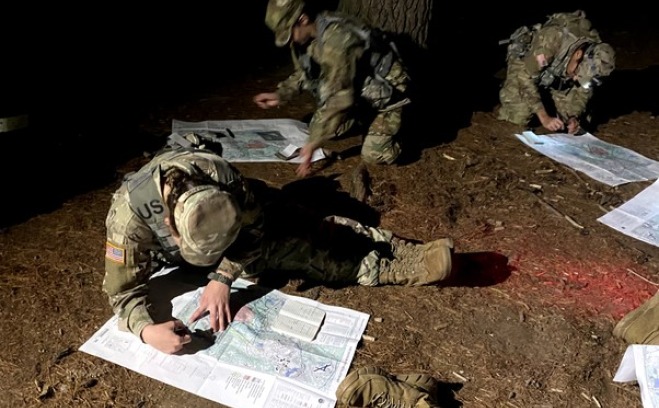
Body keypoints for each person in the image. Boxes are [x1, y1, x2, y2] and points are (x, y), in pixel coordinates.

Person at [103, 142, 467, 355]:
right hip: (199, 249)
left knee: (297, 237)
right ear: (169, 226)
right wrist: (147, 332)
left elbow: (254, 227)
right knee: (288, 244)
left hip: (249, 219)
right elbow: (122, 294)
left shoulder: (219, 176)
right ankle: (385, 259)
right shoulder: (128, 220)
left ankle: (401, 257)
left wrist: (222, 277)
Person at [253, 0, 411, 177]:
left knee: (374, 154)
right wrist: (281, 94)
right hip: (357, 87)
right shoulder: (308, 39)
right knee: (324, 128)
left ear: (303, 19)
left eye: (290, 32)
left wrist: (313, 144)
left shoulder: (336, 39)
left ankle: (406, 127)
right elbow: (303, 73)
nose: (290, 40)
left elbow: (340, 97)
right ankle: (365, 115)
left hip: (388, 90)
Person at [497, 10, 616, 135]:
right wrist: (543, 116)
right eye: (578, 74)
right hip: (526, 63)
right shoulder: (552, 39)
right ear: (578, 54)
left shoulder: (594, 55)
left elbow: (584, 90)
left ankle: (552, 99)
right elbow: (525, 77)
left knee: (580, 119)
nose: (575, 79)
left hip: (555, 71)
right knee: (520, 114)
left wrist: (573, 117)